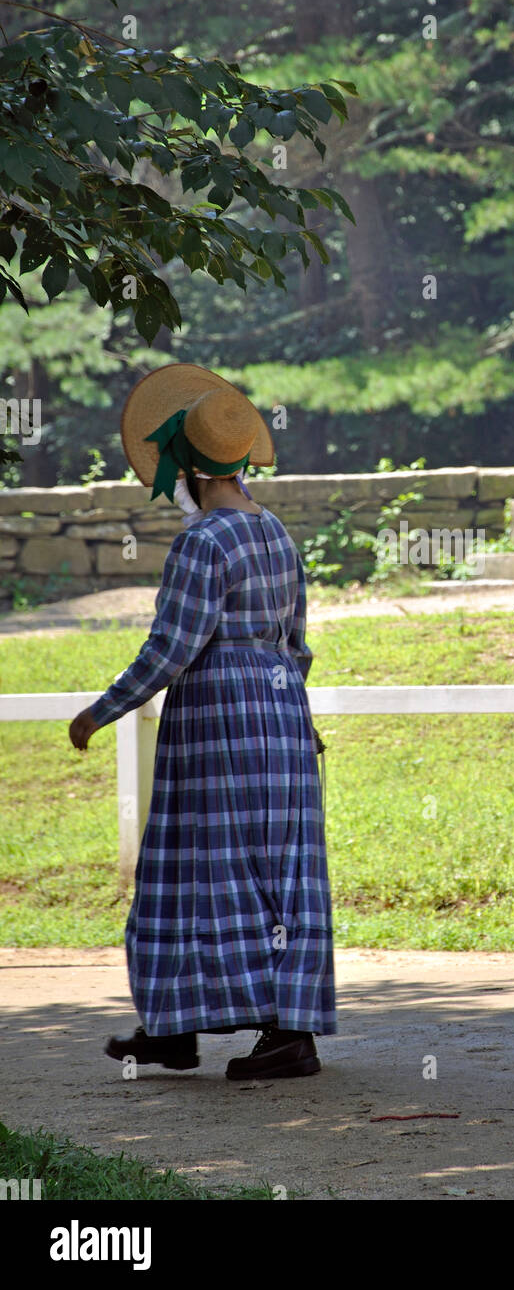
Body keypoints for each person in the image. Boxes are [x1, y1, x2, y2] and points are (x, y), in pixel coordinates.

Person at [68, 363, 336, 1080]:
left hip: (216, 724)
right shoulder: (275, 532)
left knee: (193, 869)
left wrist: (103, 710)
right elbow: (297, 643)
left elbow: (172, 648)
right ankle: (248, 1030)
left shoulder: (203, 543)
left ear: (185, 466)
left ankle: (194, 1026)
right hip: (279, 716)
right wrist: (293, 714)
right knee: (278, 871)